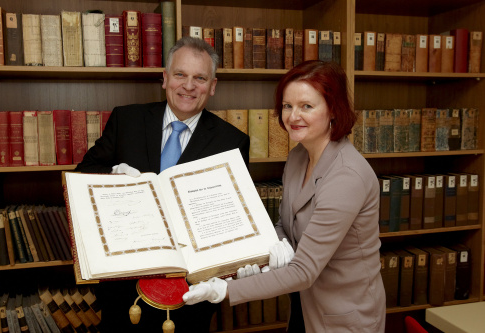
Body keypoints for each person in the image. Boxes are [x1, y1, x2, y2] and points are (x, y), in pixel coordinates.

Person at [183, 60, 386, 332]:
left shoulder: (347, 176)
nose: (293, 116)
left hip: (344, 316)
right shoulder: (298, 156)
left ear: (333, 110)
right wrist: (265, 255)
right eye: (287, 106)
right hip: (304, 305)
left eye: (307, 106)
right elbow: (285, 226)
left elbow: (303, 271)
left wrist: (224, 289)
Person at [75, 36, 250, 332]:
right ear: (165, 78)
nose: (189, 85)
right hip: (124, 288)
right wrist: (113, 177)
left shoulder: (232, 142)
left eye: (200, 78)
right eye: (180, 74)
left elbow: (236, 218)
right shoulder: (126, 119)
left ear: (213, 86)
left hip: (191, 294)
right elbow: (83, 175)